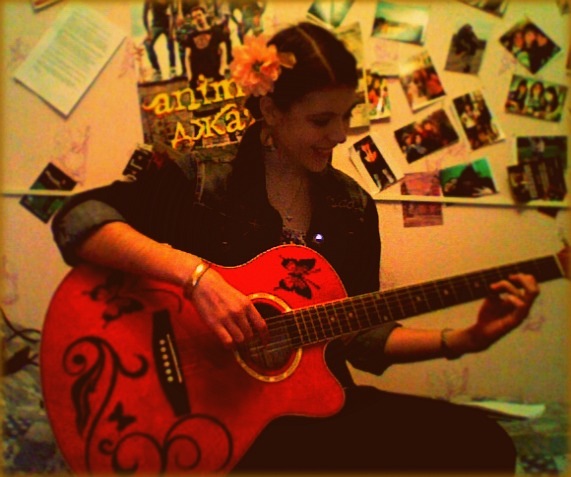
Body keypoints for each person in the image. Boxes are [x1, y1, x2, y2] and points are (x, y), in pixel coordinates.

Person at [51, 21, 539, 474]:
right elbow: (79, 219)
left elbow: (359, 335)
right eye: (322, 119)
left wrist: (467, 339)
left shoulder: (352, 206)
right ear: (271, 111)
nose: (340, 135)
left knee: (483, 444)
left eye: (346, 116)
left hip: (307, 407)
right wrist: (198, 278)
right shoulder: (198, 178)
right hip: (211, 413)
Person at [143, 0, 177, 82]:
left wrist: (171, 30)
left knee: (170, 41)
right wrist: (148, 32)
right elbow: (144, 16)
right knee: (147, 44)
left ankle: (172, 68)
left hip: (167, 23)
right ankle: (157, 71)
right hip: (156, 25)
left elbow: (173, 14)